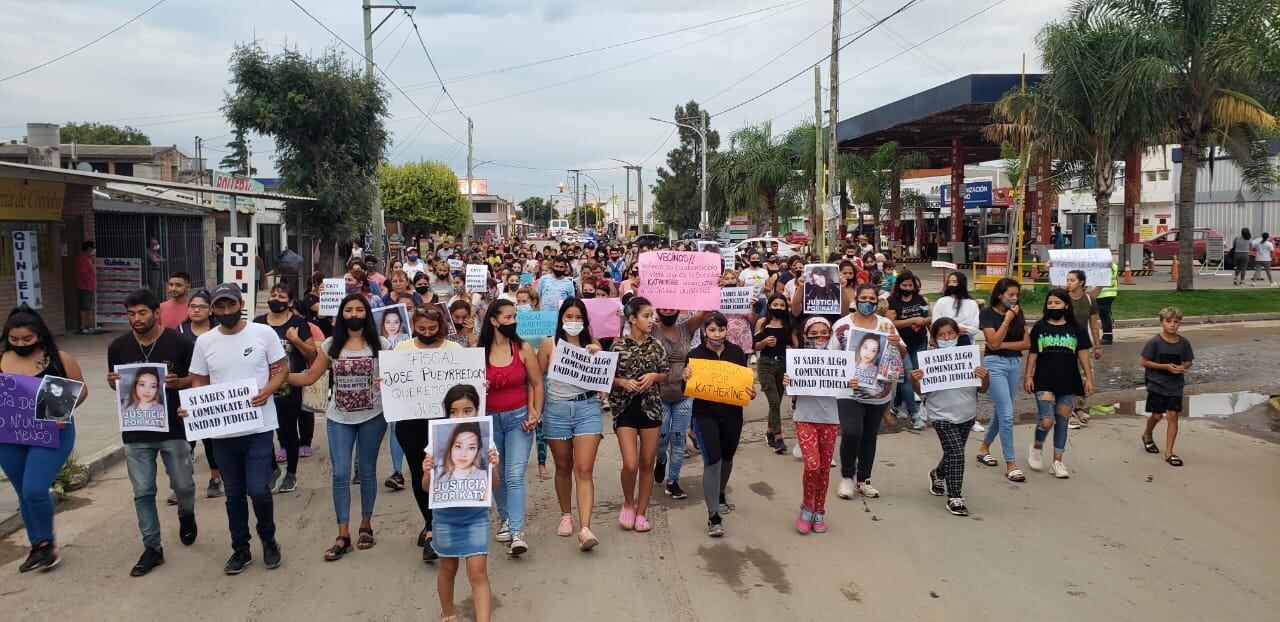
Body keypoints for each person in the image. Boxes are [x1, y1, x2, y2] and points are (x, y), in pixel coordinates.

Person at [183, 283, 288, 575]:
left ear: (241, 303)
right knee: (234, 494)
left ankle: (268, 540)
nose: (226, 312)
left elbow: (281, 369)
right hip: (222, 432)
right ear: (213, 309)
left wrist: (268, 390)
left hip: (258, 426)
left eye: (231, 306)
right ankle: (240, 548)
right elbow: (199, 380)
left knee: (259, 490)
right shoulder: (205, 342)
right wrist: (194, 405)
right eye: (220, 307)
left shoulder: (263, 333)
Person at [285, 294, 390, 561]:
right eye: (348, 310)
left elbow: (396, 382)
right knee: (340, 473)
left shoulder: (384, 345)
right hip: (339, 419)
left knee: (366, 471)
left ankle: (365, 524)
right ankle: (342, 533)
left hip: (373, 417)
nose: (354, 314)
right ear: (341, 315)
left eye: (359, 310)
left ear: (367, 313)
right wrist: (277, 377)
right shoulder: (331, 345)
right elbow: (309, 377)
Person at [106, 289, 199, 576]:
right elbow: (118, 386)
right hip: (136, 433)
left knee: (183, 485)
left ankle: (186, 514)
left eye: (142, 312)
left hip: (173, 427)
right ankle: (152, 547)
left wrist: (178, 382)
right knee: (143, 491)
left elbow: (196, 380)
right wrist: (113, 382)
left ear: (156, 313)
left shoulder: (180, 343)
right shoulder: (118, 347)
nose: (136, 318)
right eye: (131, 314)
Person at [0, 306, 88, 572]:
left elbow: (80, 390)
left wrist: (62, 411)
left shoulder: (58, 358)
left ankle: (47, 544)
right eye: (14, 340)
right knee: (23, 493)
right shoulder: (1, 358)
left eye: (27, 339)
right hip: (9, 435)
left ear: (39, 335)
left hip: (52, 432)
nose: (20, 344)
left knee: (34, 489)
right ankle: (37, 545)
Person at [423, 385, 500, 622]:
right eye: (454, 411)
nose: (461, 416)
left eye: (468, 410)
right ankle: (448, 615)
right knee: (447, 569)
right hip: (445, 519)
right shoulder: (434, 445)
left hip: (475, 518)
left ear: (478, 410)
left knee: (478, 572)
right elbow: (427, 488)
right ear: (446, 413)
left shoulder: (487, 444)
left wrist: (493, 468)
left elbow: (494, 485)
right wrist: (426, 472)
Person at [536, 298, 604, 550]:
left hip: (587, 409)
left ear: (585, 320)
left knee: (584, 469)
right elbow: (536, 378)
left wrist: (598, 359)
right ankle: (566, 514)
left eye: (578, 317)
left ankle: (586, 528)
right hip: (556, 411)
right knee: (563, 467)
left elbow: (601, 380)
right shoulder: (548, 344)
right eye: (569, 316)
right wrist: (536, 410)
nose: (573, 321)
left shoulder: (592, 345)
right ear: (561, 318)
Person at [480, 299, 544, 556]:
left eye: (514, 316)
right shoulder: (479, 350)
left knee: (515, 475)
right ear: (493, 321)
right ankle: (505, 518)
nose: (512, 322)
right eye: (506, 317)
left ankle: (517, 532)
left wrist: (535, 412)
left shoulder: (523, 348)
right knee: (498, 472)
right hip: (489, 418)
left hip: (519, 418)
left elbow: (537, 383)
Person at [395, 306, 459, 562]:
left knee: (447, 473)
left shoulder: (453, 350)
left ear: (440, 326)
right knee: (421, 473)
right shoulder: (402, 350)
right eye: (421, 329)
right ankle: (431, 526)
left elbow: (465, 383)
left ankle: (443, 524)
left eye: (432, 329)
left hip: (446, 424)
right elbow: (395, 380)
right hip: (412, 423)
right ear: (414, 326)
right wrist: (386, 382)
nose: (427, 333)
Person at [831, 284, 905, 500]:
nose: (867, 302)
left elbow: (902, 351)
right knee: (852, 432)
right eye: (863, 298)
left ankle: (863, 479)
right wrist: (843, 379)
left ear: (877, 301)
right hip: (848, 390)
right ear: (856, 299)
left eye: (872, 298)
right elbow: (831, 357)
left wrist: (895, 344)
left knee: (869, 436)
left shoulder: (886, 325)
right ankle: (846, 476)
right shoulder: (842, 325)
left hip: (878, 392)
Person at [685, 312, 756, 537]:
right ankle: (713, 515)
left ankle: (721, 493)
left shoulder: (736, 352)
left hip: (733, 415)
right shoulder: (695, 356)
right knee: (713, 460)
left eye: (721, 329)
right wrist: (685, 378)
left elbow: (745, 386)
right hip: (705, 415)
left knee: (727, 458)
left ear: (727, 330)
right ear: (704, 331)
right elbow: (684, 390)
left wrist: (750, 393)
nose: (717, 334)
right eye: (712, 330)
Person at [912, 318, 989, 516]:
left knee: (953, 452)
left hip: (967, 413)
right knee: (956, 453)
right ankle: (955, 497)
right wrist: (915, 381)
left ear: (957, 335)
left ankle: (937, 473)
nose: (947, 338)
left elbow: (983, 389)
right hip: (941, 414)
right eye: (941, 335)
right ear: (934, 339)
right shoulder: (929, 360)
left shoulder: (969, 357)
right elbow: (921, 391)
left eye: (951, 334)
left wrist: (984, 376)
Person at [609, 297, 670, 534]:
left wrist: (654, 377)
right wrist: (622, 381)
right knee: (631, 463)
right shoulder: (617, 346)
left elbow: (665, 373)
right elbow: (605, 376)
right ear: (632, 319)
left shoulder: (656, 345)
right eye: (646, 316)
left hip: (651, 408)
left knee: (647, 462)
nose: (651, 320)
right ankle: (627, 502)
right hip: (624, 409)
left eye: (652, 315)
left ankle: (642, 512)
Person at [781, 317, 847, 533]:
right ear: (805, 335)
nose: (819, 337)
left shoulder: (838, 360)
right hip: (805, 418)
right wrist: (789, 382)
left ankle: (820, 510)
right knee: (812, 465)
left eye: (823, 333)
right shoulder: (798, 359)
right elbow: (794, 392)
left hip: (829, 419)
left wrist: (851, 382)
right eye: (814, 333)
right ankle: (807, 507)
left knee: (825, 469)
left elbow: (845, 388)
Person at [1023, 288, 1094, 479]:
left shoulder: (1076, 329)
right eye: (1050, 303)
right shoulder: (1039, 327)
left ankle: (1057, 461)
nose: (1053, 306)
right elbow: (1033, 353)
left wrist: (1088, 378)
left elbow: (1083, 355)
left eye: (1057, 303)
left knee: (1062, 419)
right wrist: (1028, 376)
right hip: (1044, 379)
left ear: (1066, 305)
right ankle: (1037, 446)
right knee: (1047, 420)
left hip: (1068, 380)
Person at [253, 284, 315, 493]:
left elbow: (312, 354)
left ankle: (291, 472)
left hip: (289, 387)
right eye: (273, 295)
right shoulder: (258, 324)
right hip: (263, 387)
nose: (276, 298)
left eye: (281, 296)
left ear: (289, 302)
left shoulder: (298, 323)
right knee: (264, 430)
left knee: (288, 431)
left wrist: (295, 339)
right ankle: (272, 468)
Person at [975, 278, 1031, 482]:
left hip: (1015, 364)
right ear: (1000, 295)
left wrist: (1003, 344)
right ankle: (1011, 463)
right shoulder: (988, 314)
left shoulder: (1019, 312)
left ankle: (984, 448)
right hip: (995, 364)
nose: (1014, 298)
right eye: (1010, 294)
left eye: (1016, 295)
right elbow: (992, 342)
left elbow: (1026, 342)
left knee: (1002, 411)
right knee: (1007, 413)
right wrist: (1007, 320)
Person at [654, 307, 708, 500]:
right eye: (664, 307)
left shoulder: (687, 328)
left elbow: (706, 310)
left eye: (672, 307)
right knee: (661, 438)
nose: (668, 311)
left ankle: (673, 481)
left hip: (684, 394)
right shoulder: (650, 329)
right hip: (658, 395)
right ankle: (660, 460)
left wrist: (713, 285)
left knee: (678, 438)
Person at [177, 289, 222, 497]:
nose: (197, 310)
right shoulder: (179, 331)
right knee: (184, 443)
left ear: (211, 310)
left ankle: (215, 479)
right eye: (193, 306)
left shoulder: (219, 331)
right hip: (184, 393)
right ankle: (182, 485)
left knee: (211, 441)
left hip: (212, 395)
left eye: (202, 306)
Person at [1140, 307, 1194, 467]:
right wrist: (1165, 367)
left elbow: (1189, 360)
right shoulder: (1155, 342)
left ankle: (1169, 452)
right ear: (1161, 322)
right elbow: (1144, 361)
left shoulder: (1183, 343)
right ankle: (1147, 434)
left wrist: (1183, 367)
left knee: (1172, 416)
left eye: (1176, 322)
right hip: (1156, 384)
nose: (1173, 325)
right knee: (1156, 416)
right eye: (1169, 322)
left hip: (1175, 385)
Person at [886, 270, 929, 429]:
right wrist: (911, 320)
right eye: (905, 285)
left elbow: (929, 316)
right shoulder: (893, 301)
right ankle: (914, 415)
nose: (908, 287)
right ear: (899, 286)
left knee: (912, 376)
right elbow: (891, 323)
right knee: (908, 377)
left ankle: (897, 406)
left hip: (919, 341)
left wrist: (924, 321)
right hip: (901, 344)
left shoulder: (920, 299)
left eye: (911, 285)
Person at [754, 294, 794, 453]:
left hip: (782, 365)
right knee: (774, 401)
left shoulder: (787, 324)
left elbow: (793, 344)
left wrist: (791, 348)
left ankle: (770, 431)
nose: (778, 307)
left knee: (776, 399)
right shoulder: (762, 323)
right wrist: (764, 342)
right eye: (775, 304)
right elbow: (756, 346)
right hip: (766, 365)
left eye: (782, 305)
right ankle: (778, 437)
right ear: (769, 306)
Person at [1064, 269, 1102, 428]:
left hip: (1083, 343)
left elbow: (1094, 325)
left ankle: (1079, 407)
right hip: (1065, 343)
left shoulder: (1089, 300)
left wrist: (1098, 345)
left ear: (1081, 282)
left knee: (1086, 376)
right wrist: (1048, 268)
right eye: (1067, 279)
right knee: (1066, 377)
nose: (1068, 282)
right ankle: (1068, 412)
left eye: (1072, 280)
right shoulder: (1063, 298)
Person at [931, 271, 981, 347]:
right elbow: (935, 324)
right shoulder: (941, 302)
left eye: (954, 282)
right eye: (949, 282)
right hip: (944, 342)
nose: (951, 284)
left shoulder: (972, 304)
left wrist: (959, 329)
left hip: (966, 342)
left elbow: (975, 328)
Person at [75, 241, 96, 334]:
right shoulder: (82, 259)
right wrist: (88, 286)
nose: (93, 251)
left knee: (88, 307)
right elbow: (83, 274)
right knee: (84, 307)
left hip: (89, 287)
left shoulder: (89, 258)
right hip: (84, 287)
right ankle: (83, 326)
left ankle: (87, 325)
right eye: (92, 248)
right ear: (89, 249)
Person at [1097, 262, 1119, 345]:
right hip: (1111, 293)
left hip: (1103, 294)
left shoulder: (1102, 265)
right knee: (1106, 314)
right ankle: (1108, 334)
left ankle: (1107, 337)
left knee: (1104, 315)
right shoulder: (1113, 265)